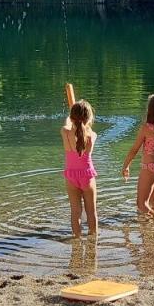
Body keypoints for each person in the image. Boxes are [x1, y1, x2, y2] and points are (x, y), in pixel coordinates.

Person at [62, 99, 98, 236]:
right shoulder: (92, 135)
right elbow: (86, 130)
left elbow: (67, 124)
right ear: (89, 119)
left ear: (71, 117)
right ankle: (93, 241)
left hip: (71, 176)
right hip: (87, 176)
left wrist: (70, 118)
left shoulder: (65, 132)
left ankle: (76, 240)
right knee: (91, 211)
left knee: (75, 211)